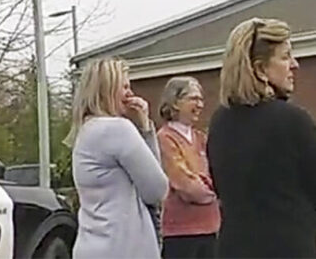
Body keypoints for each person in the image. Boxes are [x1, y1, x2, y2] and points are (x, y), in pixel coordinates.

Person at [207, 17, 316, 257]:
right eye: (285, 57)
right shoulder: (293, 120)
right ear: (259, 69)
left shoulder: (219, 123)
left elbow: (220, 189)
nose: (295, 65)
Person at [64, 58, 169, 259]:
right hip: (124, 248)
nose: (130, 93)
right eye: (124, 86)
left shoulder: (85, 131)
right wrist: (146, 127)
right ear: (107, 90)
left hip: (92, 245)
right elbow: (157, 190)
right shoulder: (117, 129)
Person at [157, 77, 221, 258]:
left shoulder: (201, 139)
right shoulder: (165, 138)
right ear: (175, 103)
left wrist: (207, 182)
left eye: (201, 99)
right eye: (193, 99)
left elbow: (218, 173)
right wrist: (211, 192)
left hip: (210, 228)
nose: (200, 105)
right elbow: (184, 183)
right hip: (180, 233)